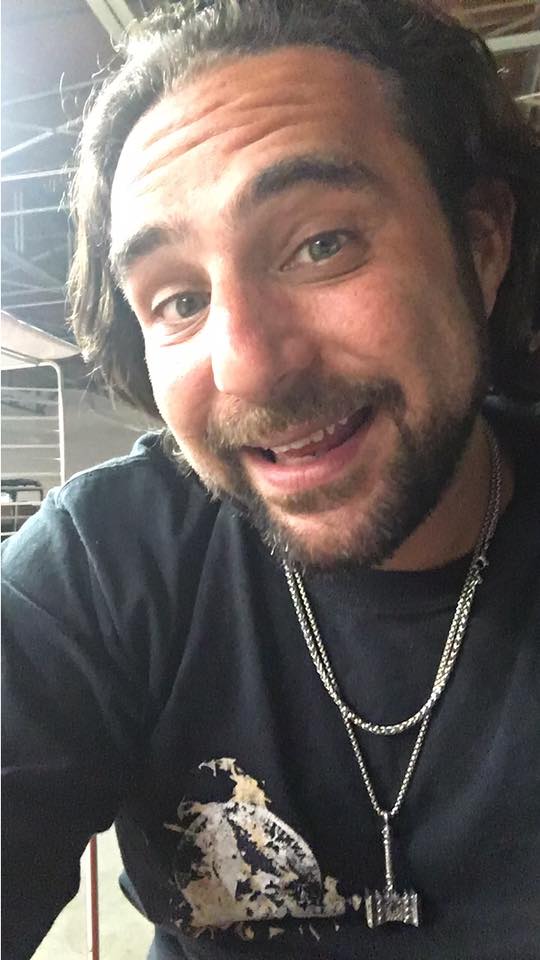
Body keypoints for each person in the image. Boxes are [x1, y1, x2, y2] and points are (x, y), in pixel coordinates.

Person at [2, 1, 539, 957]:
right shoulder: (107, 567)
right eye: (179, 299)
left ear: (483, 241)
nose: (245, 365)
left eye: (320, 243)